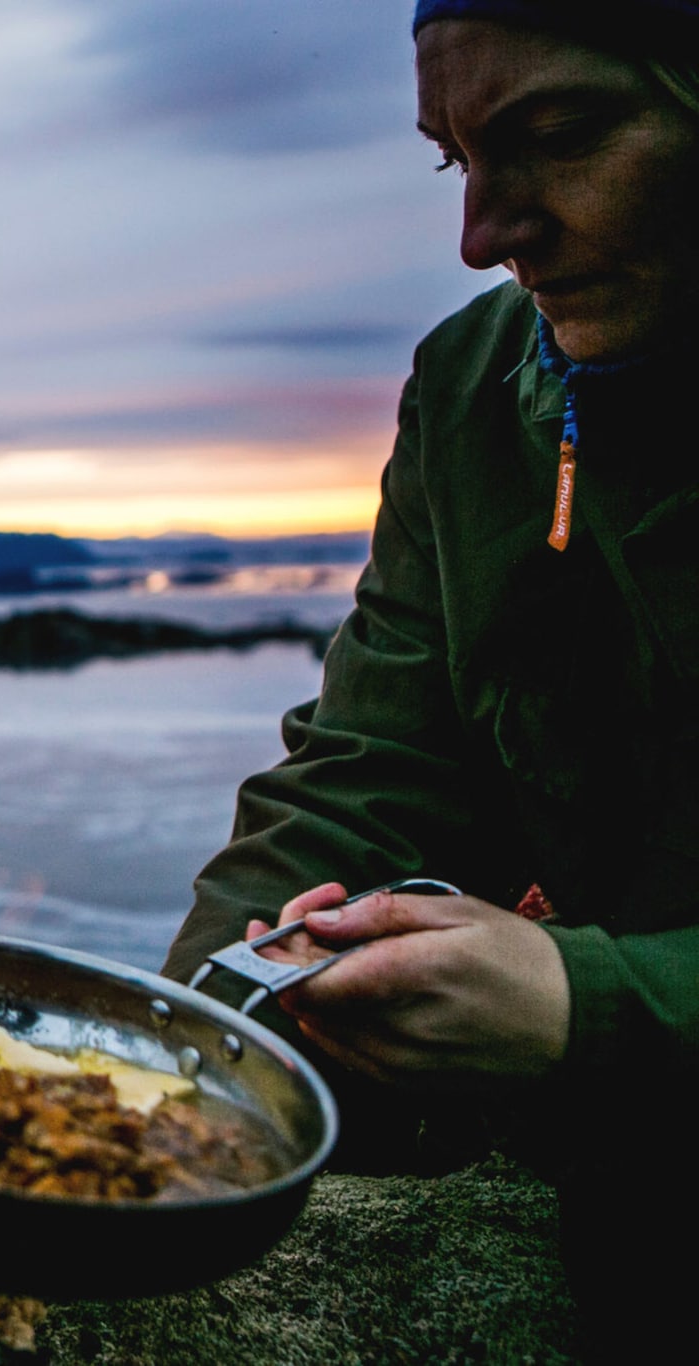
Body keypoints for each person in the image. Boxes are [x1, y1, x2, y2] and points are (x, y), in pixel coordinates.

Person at [161, 1, 699, 1346]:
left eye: (559, 135)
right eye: (458, 160)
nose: (484, 234)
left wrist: (592, 1008)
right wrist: (180, 1042)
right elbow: (373, 764)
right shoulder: (470, 388)